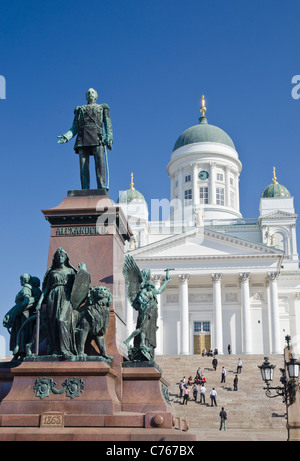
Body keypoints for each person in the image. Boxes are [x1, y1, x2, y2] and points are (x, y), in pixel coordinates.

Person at [58, 88, 113, 191]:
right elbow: (75, 126)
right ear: (86, 96)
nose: (90, 94)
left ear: (96, 96)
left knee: (100, 163)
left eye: (92, 92)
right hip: (83, 138)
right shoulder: (80, 110)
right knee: (83, 166)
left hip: (98, 137)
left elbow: (108, 125)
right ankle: (85, 188)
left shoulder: (102, 108)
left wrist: (109, 137)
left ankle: (101, 186)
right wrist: (67, 136)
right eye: (88, 93)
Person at [39, 248, 77, 358]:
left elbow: (78, 286)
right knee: (53, 323)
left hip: (66, 296)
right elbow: (46, 288)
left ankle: (65, 349)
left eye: (62, 256)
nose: (60, 258)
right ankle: (54, 349)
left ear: (66, 258)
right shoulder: (52, 272)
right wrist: (40, 302)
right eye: (58, 256)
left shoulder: (71, 271)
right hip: (53, 296)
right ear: (55, 259)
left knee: (62, 320)